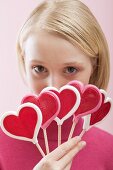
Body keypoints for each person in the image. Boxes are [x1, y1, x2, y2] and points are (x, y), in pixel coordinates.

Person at [0, 0, 113, 169]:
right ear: (24, 63)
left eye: (70, 69)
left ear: (94, 67)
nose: (53, 87)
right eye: (39, 68)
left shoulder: (108, 150)